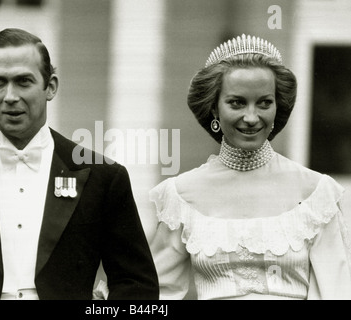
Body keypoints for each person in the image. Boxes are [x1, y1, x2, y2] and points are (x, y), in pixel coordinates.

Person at [0, 28, 158, 300]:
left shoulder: (104, 177)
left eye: (23, 81)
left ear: (51, 87)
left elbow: (137, 286)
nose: (10, 96)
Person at [149, 34, 351, 300]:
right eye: (237, 102)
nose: (252, 117)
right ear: (213, 109)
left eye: (264, 102)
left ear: (277, 107)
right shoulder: (180, 195)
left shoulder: (316, 192)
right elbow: (157, 293)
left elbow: (337, 291)